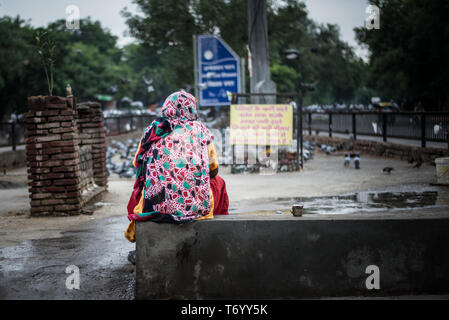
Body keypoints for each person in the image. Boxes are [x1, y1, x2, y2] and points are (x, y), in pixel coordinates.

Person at [124, 91, 229, 264]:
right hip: (196, 206)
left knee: (143, 189)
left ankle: (141, 248)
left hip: (157, 204)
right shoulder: (201, 130)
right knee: (219, 183)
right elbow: (213, 169)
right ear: (191, 109)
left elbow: (138, 164)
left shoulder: (153, 130)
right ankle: (214, 239)